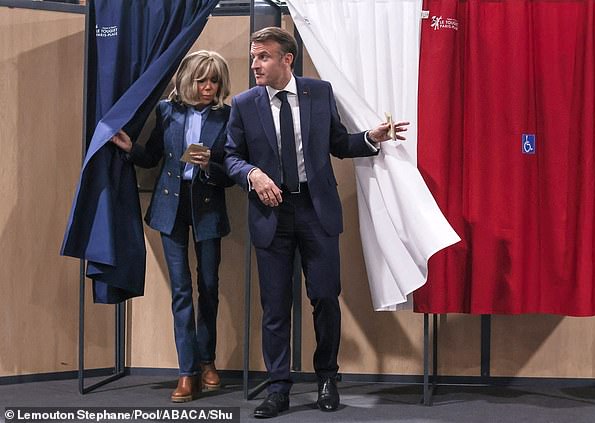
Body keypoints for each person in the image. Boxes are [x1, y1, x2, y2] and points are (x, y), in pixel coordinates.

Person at [224, 27, 408, 418]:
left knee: (325, 298)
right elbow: (229, 157)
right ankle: (278, 389)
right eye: (254, 56)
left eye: (264, 57)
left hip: (316, 210)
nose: (255, 64)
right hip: (271, 213)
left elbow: (338, 143)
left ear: (286, 60)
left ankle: (327, 378)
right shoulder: (243, 104)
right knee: (275, 306)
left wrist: (370, 138)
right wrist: (252, 174)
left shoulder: (319, 93)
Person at [110, 50, 234, 403]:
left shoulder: (227, 115)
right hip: (170, 207)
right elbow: (152, 158)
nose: (208, 87)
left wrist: (212, 164)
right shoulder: (168, 111)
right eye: (202, 80)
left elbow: (232, 171)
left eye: (214, 81)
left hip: (208, 206)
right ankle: (187, 371)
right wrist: (130, 148)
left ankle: (207, 359)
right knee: (181, 291)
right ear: (188, 80)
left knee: (209, 287)